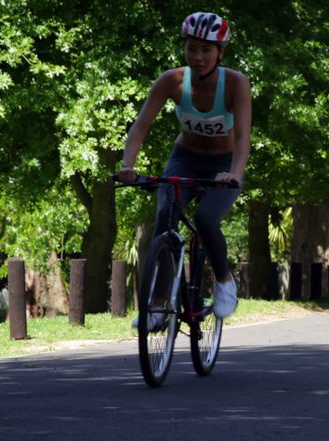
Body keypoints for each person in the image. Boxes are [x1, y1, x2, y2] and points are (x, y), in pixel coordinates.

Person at [116, 11, 252, 322]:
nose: (198, 57)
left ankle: (224, 281)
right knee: (165, 220)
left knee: (206, 218)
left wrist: (235, 173)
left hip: (223, 164)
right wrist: (128, 165)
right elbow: (139, 128)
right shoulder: (172, 81)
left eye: (206, 50)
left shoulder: (235, 84)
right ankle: (158, 305)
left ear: (221, 52)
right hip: (185, 160)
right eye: (192, 48)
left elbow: (244, 137)